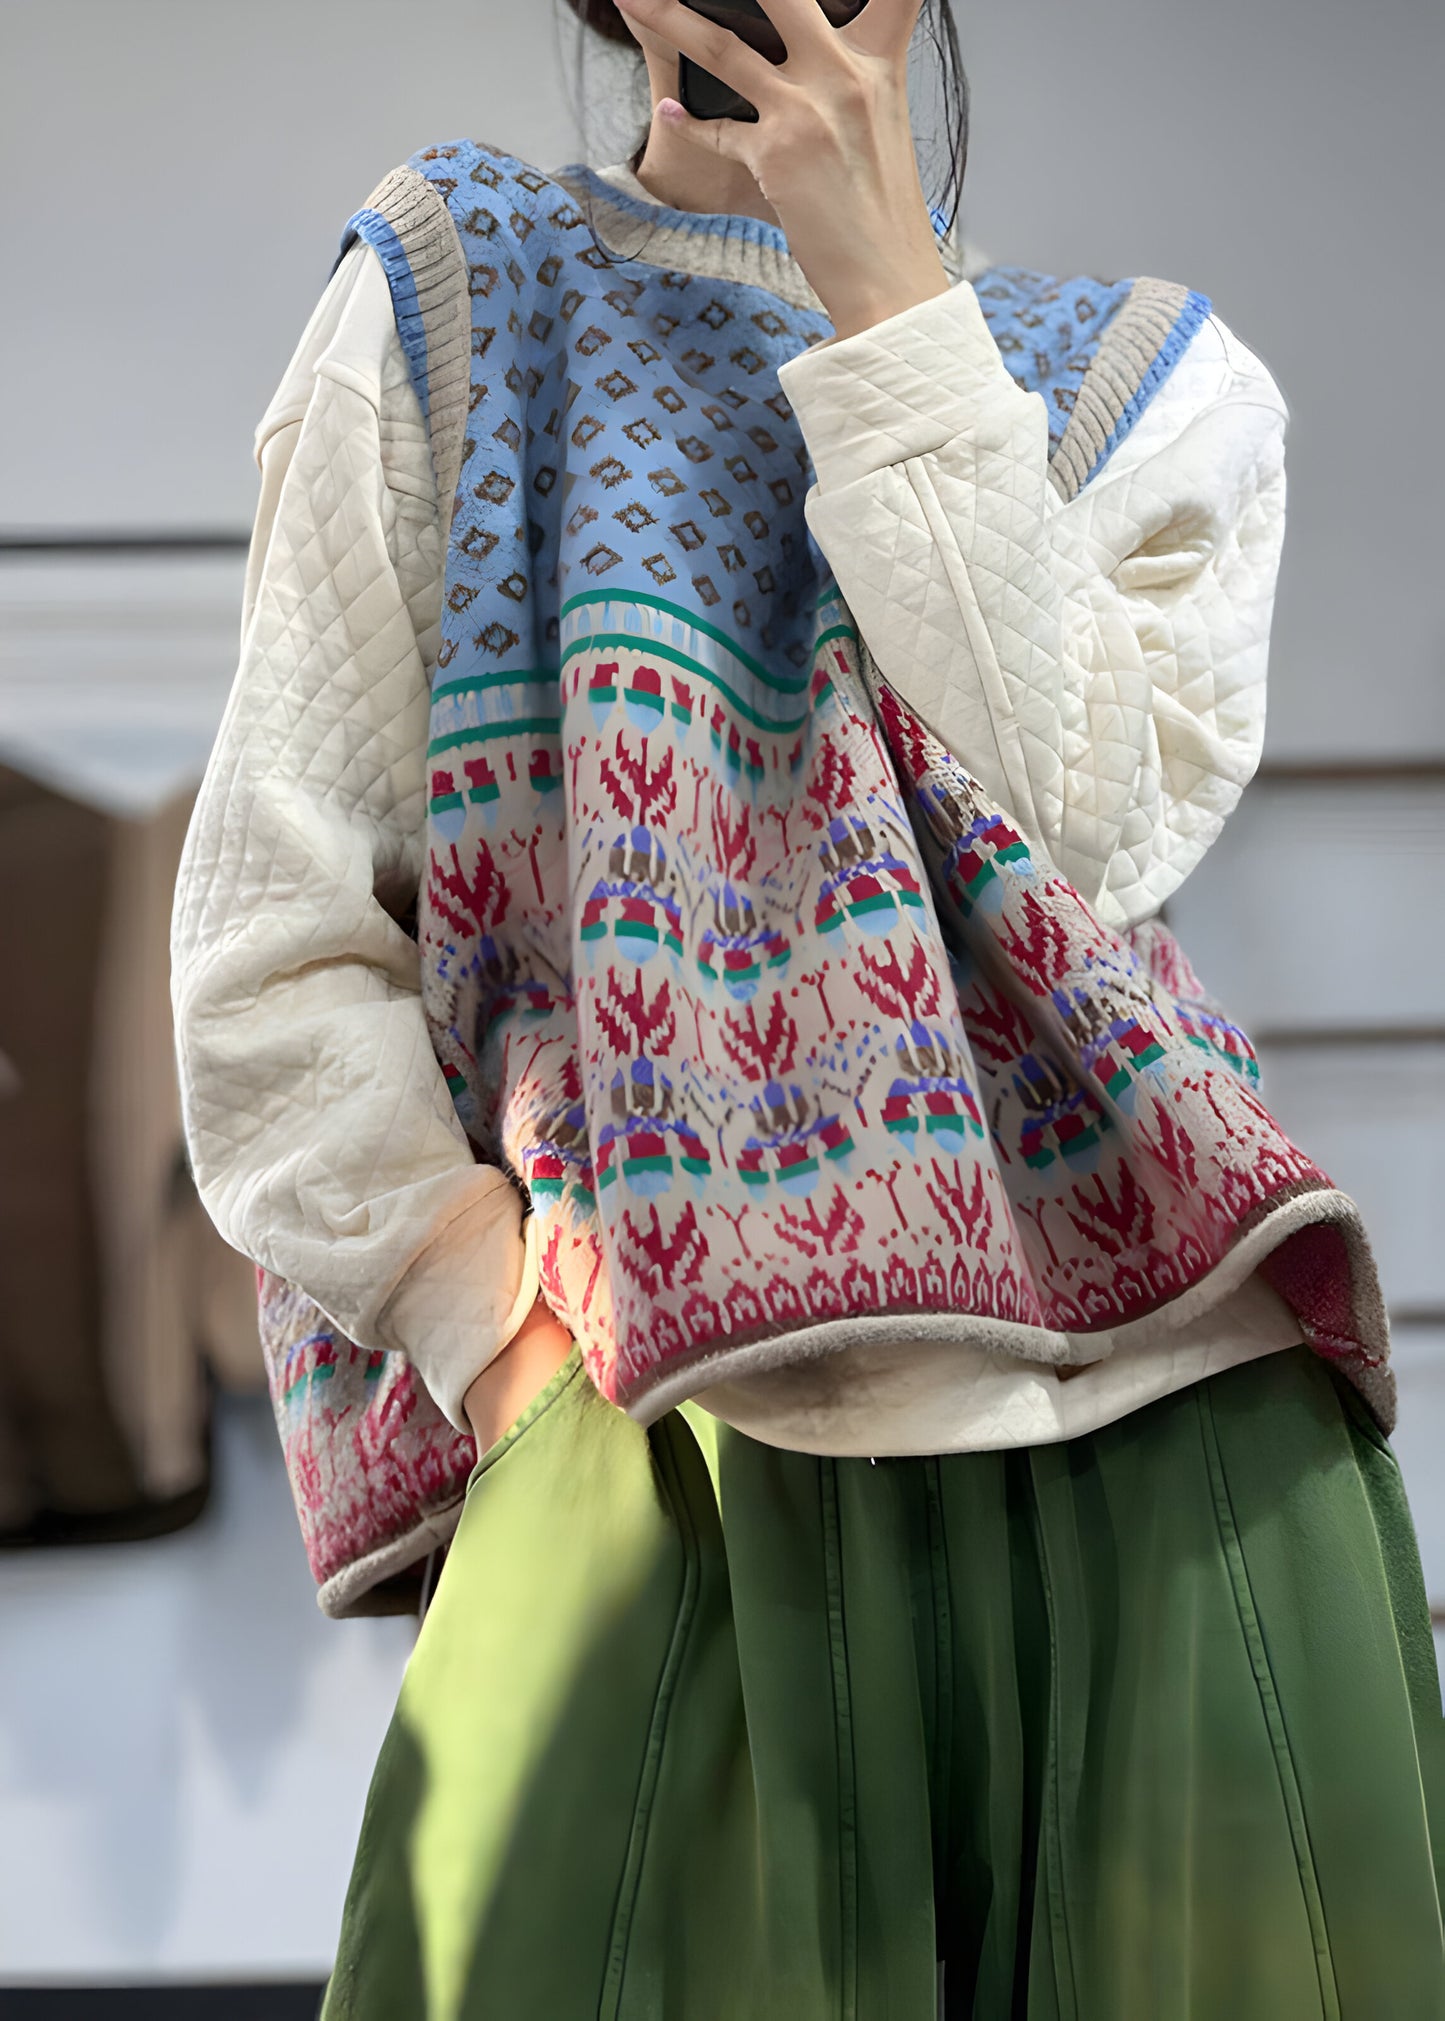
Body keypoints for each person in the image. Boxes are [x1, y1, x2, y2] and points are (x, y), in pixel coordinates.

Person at [171, 0, 1445, 2012]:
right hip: (646, 1424)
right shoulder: (459, 285)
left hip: (1181, 1430)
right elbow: (274, 940)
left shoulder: (1144, 379)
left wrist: (888, 301)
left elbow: (1085, 834)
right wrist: (496, 1346)